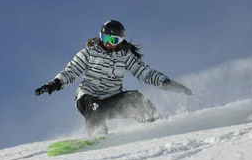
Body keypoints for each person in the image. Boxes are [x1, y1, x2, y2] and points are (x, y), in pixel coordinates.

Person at [35, 20, 192, 137]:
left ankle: (156, 124)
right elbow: (72, 70)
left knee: (135, 97)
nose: (109, 44)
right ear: (100, 36)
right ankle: (98, 133)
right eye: (106, 38)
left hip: (111, 100)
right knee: (94, 104)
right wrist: (55, 83)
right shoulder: (88, 53)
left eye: (114, 40)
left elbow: (144, 72)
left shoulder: (125, 56)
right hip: (87, 98)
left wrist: (166, 83)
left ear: (121, 41)